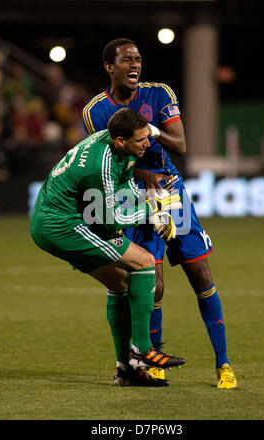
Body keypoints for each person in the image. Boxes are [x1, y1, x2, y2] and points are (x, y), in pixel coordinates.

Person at [82, 38, 237, 389]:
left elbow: (180, 146)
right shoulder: (95, 112)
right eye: (126, 60)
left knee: (200, 274)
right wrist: (141, 176)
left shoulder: (160, 95)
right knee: (151, 284)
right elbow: (106, 164)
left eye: (138, 59)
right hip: (133, 198)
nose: (135, 65)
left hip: (170, 191)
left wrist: (151, 131)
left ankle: (224, 364)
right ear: (110, 66)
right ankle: (153, 363)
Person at [30, 108, 185, 387]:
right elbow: (111, 219)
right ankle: (141, 348)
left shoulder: (119, 149)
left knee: (120, 282)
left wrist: (148, 207)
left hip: (71, 218)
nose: (147, 144)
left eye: (146, 137)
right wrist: (153, 212)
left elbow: (123, 190)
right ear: (120, 141)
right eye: (140, 141)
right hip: (62, 224)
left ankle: (125, 370)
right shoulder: (99, 165)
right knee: (144, 261)